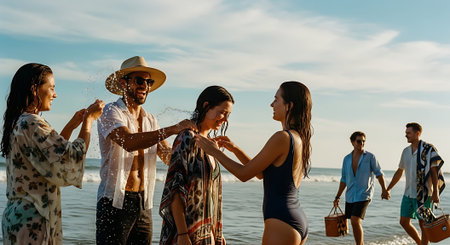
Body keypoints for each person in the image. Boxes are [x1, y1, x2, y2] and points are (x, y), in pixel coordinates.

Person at [195, 81, 311, 245]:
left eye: (276, 100)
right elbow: (260, 173)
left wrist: (213, 150)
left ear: (289, 106)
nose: (272, 104)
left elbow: (244, 174)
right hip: (294, 219)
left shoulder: (282, 137)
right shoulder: (296, 138)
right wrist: (235, 149)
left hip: (281, 222)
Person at [96, 56, 196, 245]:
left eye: (148, 82)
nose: (145, 86)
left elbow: (167, 156)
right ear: (123, 83)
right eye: (139, 81)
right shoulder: (110, 112)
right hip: (114, 202)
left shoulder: (150, 120)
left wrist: (191, 143)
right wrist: (173, 129)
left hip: (144, 203)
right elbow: (128, 142)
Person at [1, 63, 104, 245]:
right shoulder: (33, 124)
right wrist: (89, 120)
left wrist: (72, 125)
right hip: (35, 218)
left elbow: (51, 161)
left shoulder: (18, 122)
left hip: (17, 216)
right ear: (35, 89)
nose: (55, 94)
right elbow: (71, 157)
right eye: (52, 88)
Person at [159, 85, 233, 245]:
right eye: (222, 112)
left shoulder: (211, 146)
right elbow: (176, 190)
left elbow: (210, 195)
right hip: (186, 235)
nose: (225, 119)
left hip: (207, 235)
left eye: (228, 115)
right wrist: (182, 234)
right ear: (206, 106)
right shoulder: (187, 138)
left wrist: (217, 231)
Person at [386, 122, 445, 245]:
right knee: (403, 221)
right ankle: (419, 243)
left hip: (424, 193)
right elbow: (399, 171)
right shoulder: (405, 151)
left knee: (423, 224)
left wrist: (436, 192)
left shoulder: (429, 149)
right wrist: (388, 188)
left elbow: (434, 171)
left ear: (417, 133)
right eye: (406, 133)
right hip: (408, 193)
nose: (406, 135)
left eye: (409, 133)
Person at [333, 131, 389, 245]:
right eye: (359, 141)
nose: (361, 143)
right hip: (350, 196)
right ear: (352, 142)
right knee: (353, 222)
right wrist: (337, 196)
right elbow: (344, 179)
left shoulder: (370, 157)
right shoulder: (347, 159)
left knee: (355, 219)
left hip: (364, 194)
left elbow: (379, 174)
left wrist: (384, 189)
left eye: (363, 141)